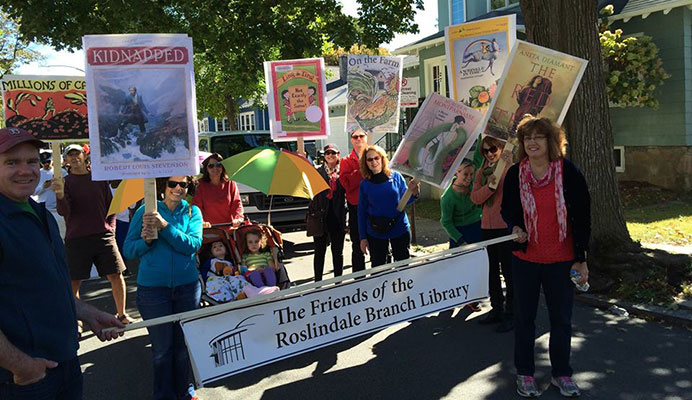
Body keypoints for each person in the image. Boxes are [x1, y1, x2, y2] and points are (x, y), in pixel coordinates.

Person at [0, 127, 123, 399]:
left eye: (32, 161)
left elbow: (47, 286)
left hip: (65, 361)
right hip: (24, 379)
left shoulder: (37, 212)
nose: (26, 170)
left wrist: (86, 312)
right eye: (12, 162)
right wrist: (21, 367)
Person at [501, 116, 590, 398]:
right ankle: (525, 374)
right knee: (524, 319)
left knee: (561, 320)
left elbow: (583, 216)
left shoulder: (568, 171)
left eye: (539, 137)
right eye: (527, 138)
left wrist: (581, 258)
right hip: (526, 259)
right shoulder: (516, 172)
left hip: (562, 260)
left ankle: (561, 374)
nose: (532, 142)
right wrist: (515, 226)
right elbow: (508, 209)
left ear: (551, 141)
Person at [123, 175, 202, 400]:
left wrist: (165, 227)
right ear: (162, 186)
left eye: (183, 184)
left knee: (183, 346)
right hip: (153, 291)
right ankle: (163, 395)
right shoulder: (145, 211)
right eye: (172, 184)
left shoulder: (192, 212)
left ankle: (185, 391)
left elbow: (192, 245)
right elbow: (128, 250)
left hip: (187, 287)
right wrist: (147, 241)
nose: (178, 188)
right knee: (162, 349)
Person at [54, 144, 131, 324]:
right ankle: (74, 319)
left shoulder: (99, 179)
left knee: (116, 274)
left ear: (84, 156)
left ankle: (122, 314)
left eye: (77, 154)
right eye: (70, 155)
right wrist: (59, 194)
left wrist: (110, 229)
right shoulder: (65, 182)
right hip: (76, 238)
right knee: (74, 281)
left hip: (103, 236)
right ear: (65, 160)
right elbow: (63, 211)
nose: (74, 158)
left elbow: (110, 207)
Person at [470, 135, 514, 332]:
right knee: (492, 271)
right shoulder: (481, 172)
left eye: (493, 149)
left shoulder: (510, 168)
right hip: (487, 228)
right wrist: (490, 186)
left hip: (506, 226)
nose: (489, 154)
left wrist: (507, 167)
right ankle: (496, 308)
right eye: (485, 151)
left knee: (509, 271)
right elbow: (475, 198)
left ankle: (512, 313)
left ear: (501, 148)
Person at [358, 145, 420, 267]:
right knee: (379, 268)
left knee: (403, 266)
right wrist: (363, 237)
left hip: (399, 228)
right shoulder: (364, 185)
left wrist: (415, 192)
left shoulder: (396, 176)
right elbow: (361, 211)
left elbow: (405, 200)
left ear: (382, 159)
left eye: (376, 158)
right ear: (365, 163)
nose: (374, 162)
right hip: (376, 231)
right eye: (369, 159)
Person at [307, 144, 347, 282]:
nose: (330, 155)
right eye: (327, 153)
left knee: (337, 253)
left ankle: (338, 281)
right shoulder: (317, 171)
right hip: (320, 217)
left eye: (333, 153)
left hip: (337, 217)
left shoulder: (343, 172)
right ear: (324, 156)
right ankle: (317, 282)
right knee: (319, 252)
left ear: (338, 155)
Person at [339, 130, 369, 273]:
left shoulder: (373, 156)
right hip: (355, 207)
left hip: (373, 206)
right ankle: (358, 280)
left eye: (361, 136)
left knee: (379, 243)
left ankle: (382, 276)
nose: (358, 139)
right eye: (355, 137)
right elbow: (346, 183)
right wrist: (361, 169)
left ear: (366, 138)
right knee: (357, 246)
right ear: (351, 140)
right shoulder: (345, 161)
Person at [192, 153, 244, 228]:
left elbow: (237, 204)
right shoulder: (200, 185)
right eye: (211, 166)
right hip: (209, 230)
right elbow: (196, 207)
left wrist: (238, 218)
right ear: (206, 168)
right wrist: (201, 222)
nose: (215, 168)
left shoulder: (230, 183)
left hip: (229, 230)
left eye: (218, 165)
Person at [32, 149, 67, 238]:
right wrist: (43, 186)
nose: (46, 164)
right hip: (45, 210)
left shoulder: (61, 172)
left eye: (48, 161)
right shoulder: (37, 173)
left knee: (61, 236)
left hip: (59, 210)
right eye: (44, 162)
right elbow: (33, 192)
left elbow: (68, 189)